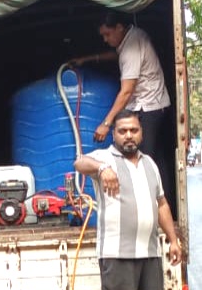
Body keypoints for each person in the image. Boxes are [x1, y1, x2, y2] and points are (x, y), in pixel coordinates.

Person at [74, 109, 191, 290]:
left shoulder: (150, 163)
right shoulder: (104, 158)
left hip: (149, 249)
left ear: (141, 132)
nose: (129, 135)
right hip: (115, 251)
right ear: (114, 134)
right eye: (123, 131)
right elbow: (79, 162)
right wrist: (102, 170)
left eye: (134, 130)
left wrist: (173, 240)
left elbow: (161, 203)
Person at [70, 11, 174, 198]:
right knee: (155, 158)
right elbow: (115, 55)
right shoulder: (131, 38)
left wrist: (106, 123)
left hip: (148, 107)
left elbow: (126, 91)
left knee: (145, 160)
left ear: (119, 27)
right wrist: (87, 60)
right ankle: (160, 200)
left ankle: (152, 202)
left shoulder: (131, 48)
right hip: (154, 104)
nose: (105, 39)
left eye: (107, 34)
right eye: (102, 35)